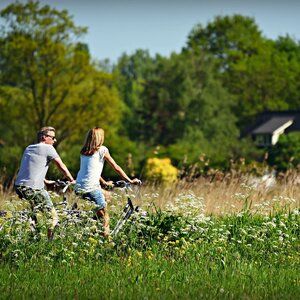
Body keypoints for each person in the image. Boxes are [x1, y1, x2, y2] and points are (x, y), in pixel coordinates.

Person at [75, 127, 140, 237]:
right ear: (100, 138)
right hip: (91, 188)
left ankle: (93, 222)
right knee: (106, 216)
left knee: (107, 195)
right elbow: (116, 167)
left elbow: (90, 170)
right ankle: (107, 240)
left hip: (79, 187)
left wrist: (104, 182)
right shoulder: (102, 150)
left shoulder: (84, 152)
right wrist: (129, 180)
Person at [15, 126, 75, 240]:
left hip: (19, 186)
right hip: (33, 188)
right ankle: (49, 244)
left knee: (34, 215)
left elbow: (32, 168)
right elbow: (61, 166)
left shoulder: (29, 147)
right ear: (44, 137)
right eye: (52, 137)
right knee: (53, 218)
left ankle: (33, 237)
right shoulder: (48, 148)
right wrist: (72, 180)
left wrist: (46, 181)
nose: (55, 140)